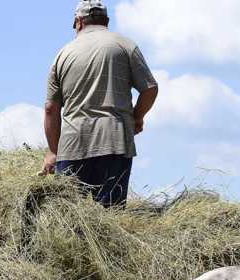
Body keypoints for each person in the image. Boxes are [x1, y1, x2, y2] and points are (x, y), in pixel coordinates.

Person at [40, 0, 158, 208]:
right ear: (107, 21)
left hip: (72, 146)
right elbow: (149, 89)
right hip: (114, 142)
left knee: (69, 218)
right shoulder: (125, 46)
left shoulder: (62, 55)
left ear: (78, 23)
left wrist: (53, 151)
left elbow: (51, 109)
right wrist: (136, 117)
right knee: (109, 219)